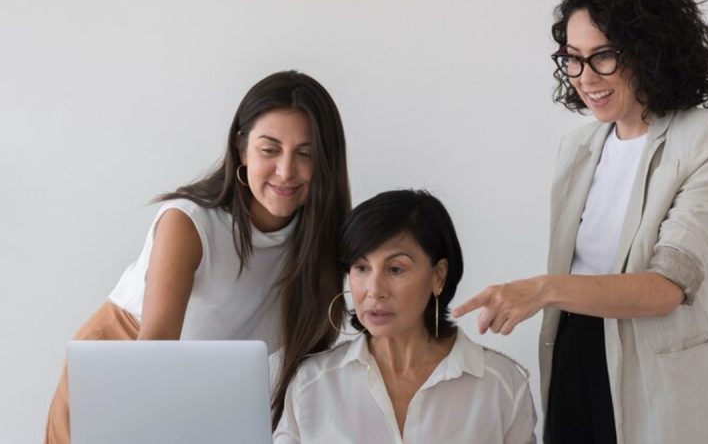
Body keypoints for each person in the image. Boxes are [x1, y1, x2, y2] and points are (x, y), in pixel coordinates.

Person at [453, 0, 708, 443]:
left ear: (651, 51)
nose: (585, 77)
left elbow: (667, 287)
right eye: (573, 58)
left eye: (604, 55)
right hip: (575, 356)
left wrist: (542, 289)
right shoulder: (578, 146)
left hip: (658, 376)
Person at [44, 70, 351, 443]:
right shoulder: (189, 223)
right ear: (241, 148)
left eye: (305, 154)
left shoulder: (325, 239)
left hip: (203, 386)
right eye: (269, 150)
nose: (285, 171)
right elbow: (155, 348)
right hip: (125, 361)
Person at [273, 190, 536, 444]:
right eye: (361, 268)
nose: (374, 290)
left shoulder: (500, 385)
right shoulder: (313, 383)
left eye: (396, 269)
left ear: (438, 276)